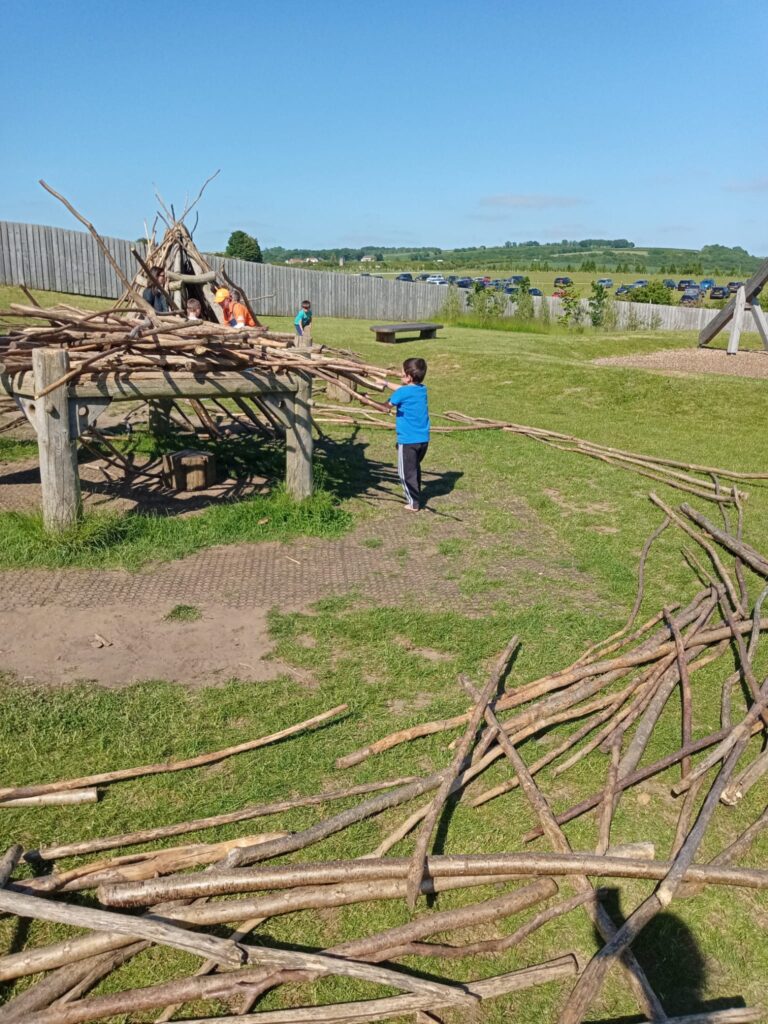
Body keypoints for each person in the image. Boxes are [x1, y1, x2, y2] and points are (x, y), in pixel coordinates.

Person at [386, 357, 430, 512]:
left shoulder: (403, 393)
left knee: (405, 472)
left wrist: (366, 400)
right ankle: (415, 497)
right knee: (414, 469)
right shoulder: (421, 389)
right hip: (423, 440)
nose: (399, 374)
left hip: (408, 440)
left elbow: (386, 407)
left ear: (409, 377)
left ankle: (413, 503)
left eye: (402, 372)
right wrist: (384, 383)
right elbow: (401, 390)